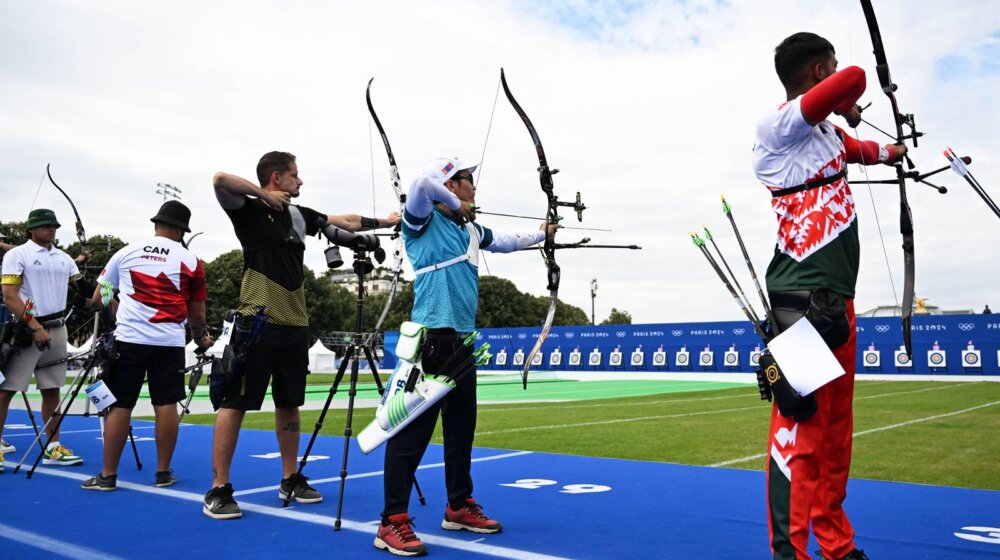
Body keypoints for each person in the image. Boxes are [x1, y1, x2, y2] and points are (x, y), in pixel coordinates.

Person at [752, 33, 908, 560]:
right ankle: (790, 552)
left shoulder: (828, 137)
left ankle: (836, 546)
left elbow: (868, 151)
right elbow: (856, 78)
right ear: (819, 73)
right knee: (802, 432)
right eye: (830, 70)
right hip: (801, 301)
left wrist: (895, 149)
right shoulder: (776, 127)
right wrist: (847, 100)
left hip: (837, 302)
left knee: (836, 436)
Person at [373, 156, 556, 557]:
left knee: (460, 433)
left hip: (463, 343)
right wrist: (454, 206)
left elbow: (507, 242)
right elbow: (421, 184)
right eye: (467, 181)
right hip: (432, 342)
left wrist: (543, 233)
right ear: (452, 186)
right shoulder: (421, 220)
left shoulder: (471, 228)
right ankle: (392, 521)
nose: (474, 187)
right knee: (411, 435)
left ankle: (458, 505)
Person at [203, 151, 399, 519]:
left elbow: (345, 221)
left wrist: (385, 221)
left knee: (289, 402)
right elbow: (220, 179)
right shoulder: (247, 209)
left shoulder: (298, 214)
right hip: (257, 320)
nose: (301, 181)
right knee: (235, 402)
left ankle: (290, 477)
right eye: (295, 175)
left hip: (295, 323)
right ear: (276, 177)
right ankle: (219, 488)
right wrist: (263, 196)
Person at [79, 201, 212, 491]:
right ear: (180, 230)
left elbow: (100, 297)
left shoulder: (125, 252)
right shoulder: (191, 261)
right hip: (169, 342)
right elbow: (197, 311)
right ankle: (163, 473)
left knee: (119, 406)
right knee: (165, 405)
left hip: (129, 341)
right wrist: (201, 337)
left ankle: (107, 476)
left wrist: (118, 306)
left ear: (157, 225)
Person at [0, 209, 92, 472]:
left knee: (52, 388)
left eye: (53, 225)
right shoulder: (17, 255)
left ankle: (53, 447)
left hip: (58, 327)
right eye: (45, 226)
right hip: (27, 330)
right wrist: (35, 326)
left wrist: (106, 299)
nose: (51, 229)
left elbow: (83, 289)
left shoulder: (64, 258)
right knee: (5, 390)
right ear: (31, 230)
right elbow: (10, 296)